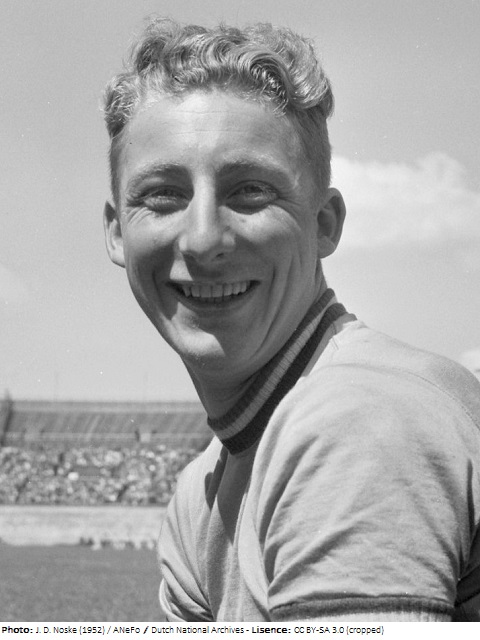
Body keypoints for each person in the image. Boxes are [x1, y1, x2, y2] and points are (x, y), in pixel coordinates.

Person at [102, 18, 480, 622]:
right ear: (118, 232)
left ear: (324, 223)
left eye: (250, 191)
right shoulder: (199, 493)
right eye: (164, 195)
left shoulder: (357, 421)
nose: (203, 239)